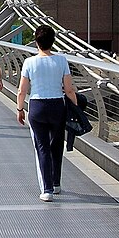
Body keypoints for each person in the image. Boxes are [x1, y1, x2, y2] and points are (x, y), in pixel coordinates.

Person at [16, 24, 77, 202]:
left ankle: (47, 189)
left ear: (36, 42)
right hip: (58, 105)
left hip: (37, 106)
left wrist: (20, 109)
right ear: (53, 41)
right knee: (57, 146)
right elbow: (69, 89)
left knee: (42, 147)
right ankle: (57, 183)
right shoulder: (62, 61)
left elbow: (22, 90)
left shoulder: (29, 62)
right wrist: (75, 107)